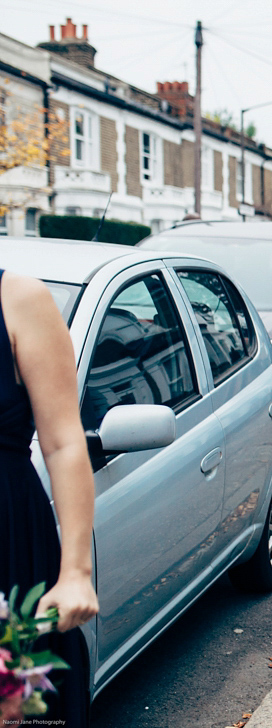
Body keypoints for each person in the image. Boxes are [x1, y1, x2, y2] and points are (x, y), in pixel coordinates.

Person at [1, 270, 99, 726]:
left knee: (20, 713)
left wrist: (76, 572)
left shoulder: (18, 299)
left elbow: (63, 443)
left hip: (9, 553)